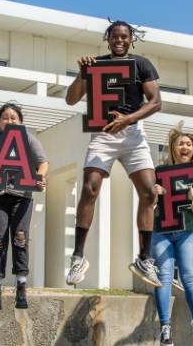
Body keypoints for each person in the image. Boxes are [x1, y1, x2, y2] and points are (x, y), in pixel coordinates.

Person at [64, 20, 162, 288]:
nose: (119, 40)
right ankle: (78, 256)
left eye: (124, 36)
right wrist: (82, 74)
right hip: (104, 133)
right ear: (107, 38)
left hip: (132, 134)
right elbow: (71, 100)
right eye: (115, 36)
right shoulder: (95, 64)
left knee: (150, 193)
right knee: (90, 188)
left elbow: (156, 102)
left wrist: (128, 119)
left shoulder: (141, 64)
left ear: (131, 39)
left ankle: (144, 257)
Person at [0, 103, 49, 310]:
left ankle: (21, 285)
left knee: (20, 237)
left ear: (21, 121)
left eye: (13, 117)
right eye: (5, 118)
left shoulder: (28, 139)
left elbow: (43, 162)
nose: (9, 121)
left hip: (22, 197)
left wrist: (40, 177)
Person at [152, 124, 193, 346]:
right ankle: (165, 327)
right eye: (180, 143)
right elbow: (150, 205)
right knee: (163, 278)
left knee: (189, 278)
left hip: (187, 231)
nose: (184, 147)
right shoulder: (160, 172)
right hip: (161, 231)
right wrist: (154, 194)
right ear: (173, 147)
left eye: (189, 144)